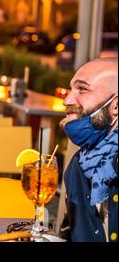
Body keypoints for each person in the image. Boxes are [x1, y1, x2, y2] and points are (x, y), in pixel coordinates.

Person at [59, 58, 117, 242]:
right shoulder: (78, 165)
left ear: (116, 106)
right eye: (70, 89)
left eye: (82, 89)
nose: (67, 100)